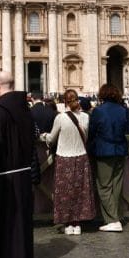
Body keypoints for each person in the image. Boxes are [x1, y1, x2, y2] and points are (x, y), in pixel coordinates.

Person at [0, 71, 35, 258]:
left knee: (6, 226)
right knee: (21, 224)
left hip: (3, 177)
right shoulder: (25, 109)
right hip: (23, 175)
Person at [40, 89, 96, 235]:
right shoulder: (85, 117)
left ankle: (67, 223)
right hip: (81, 158)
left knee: (65, 192)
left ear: (64, 102)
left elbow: (51, 139)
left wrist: (44, 136)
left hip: (64, 158)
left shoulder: (61, 118)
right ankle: (77, 223)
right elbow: (86, 137)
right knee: (80, 191)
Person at [88, 84, 128, 232]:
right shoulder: (123, 111)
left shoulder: (98, 111)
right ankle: (116, 216)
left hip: (104, 151)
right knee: (116, 185)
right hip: (120, 150)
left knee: (104, 186)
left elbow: (91, 132)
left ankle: (112, 219)